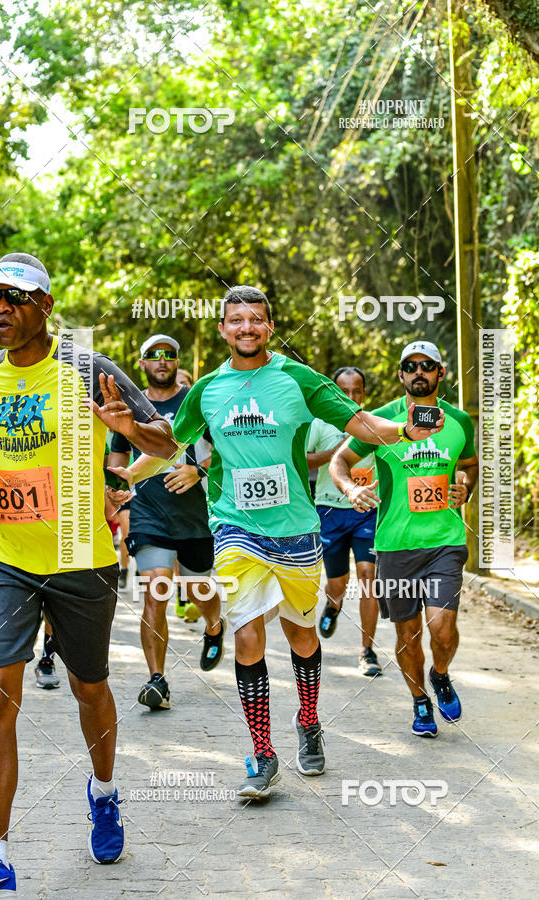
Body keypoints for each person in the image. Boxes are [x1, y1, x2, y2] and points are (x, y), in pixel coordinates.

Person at [125, 287, 444, 799]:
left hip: (295, 528)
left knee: (301, 635)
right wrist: (126, 478)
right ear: (223, 329)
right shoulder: (206, 389)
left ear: (269, 327)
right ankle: (262, 753)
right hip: (235, 527)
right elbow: (170, 444)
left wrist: (403, 430)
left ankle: (309, 720)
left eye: (256, 319)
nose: (246, 328)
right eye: (236, 320)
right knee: (248, 633)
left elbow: (359, 423)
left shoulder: (298, 378)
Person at [0, 252, 176, 893]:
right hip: (4, 558)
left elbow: (165, 443)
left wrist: (128, 430)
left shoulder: (87, 368)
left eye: (15, 298)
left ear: (45, 306)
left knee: (88, 688)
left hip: (80, 557)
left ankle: (103, 792)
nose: (1, 309)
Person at [330, 340, 478, 738]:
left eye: (427, 365)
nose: (419, 372)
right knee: (407, 636)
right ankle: (419, 700)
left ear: (440, 373)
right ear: (400, 374)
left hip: (445, 541)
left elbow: (470, 465)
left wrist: (466, 486)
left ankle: (440, 674)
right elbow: (339, 461)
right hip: (395, 546)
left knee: (442, 630)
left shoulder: (459, 421)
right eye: (410, 366)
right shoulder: (380, 421)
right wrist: (350, 489)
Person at [108, 334, 224, 711]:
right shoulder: (131, 405)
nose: (162, 360)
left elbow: (226, 448)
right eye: (154, 355)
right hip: (148, 512)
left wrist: (197, 470)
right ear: (142, 362)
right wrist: (115, 496)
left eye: (169, 354)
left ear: (177, 361)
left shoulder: (196, 400)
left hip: (194, 514)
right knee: (156, 589)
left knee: (198, 589)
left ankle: (214, 626)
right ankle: (157, 679)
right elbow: (117, 458)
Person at [306, 366, 381, 676]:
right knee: (337, 584)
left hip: (366, 510)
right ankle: (333, 605)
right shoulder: (320, 423)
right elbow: (302, 460)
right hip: (329, 511)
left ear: (364, 394)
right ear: (334, 393)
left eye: (356, 391)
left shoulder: (374, 424)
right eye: (344, 391)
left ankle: (367, 651)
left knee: (368, 576)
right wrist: (336, 453)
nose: (351, 396)